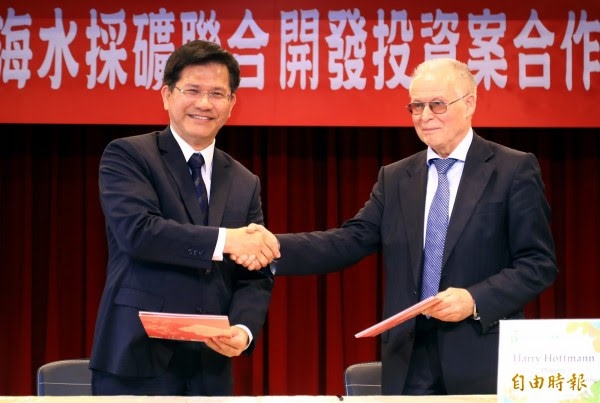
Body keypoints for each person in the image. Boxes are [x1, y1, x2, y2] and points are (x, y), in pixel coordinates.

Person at [238, 58, 558, 395]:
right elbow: (350, 240)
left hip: (481, 353)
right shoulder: (396, 178)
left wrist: (474, 299)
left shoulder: (512, 169)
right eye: (416, 106)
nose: (425, 115)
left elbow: (538, 264)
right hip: (408, 359)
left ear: (469, 104)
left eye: (437, 104)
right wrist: (273, 247)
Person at [89, 40, 279, 396]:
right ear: (166, 95)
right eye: (192, 90)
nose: (204, 103)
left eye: (217, 93)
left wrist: (243, 329)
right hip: (136, 358)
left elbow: (254, 274)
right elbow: (140, 233)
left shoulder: (244, 181)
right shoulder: (129, 155)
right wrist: (227, 240)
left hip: (210, 367)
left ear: (232, 103)